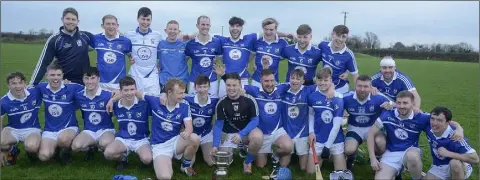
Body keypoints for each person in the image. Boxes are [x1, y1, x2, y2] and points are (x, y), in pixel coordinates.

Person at [366, 91, 464, 180]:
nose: (401, 106)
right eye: (399, 103)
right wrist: (373, 158)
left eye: (405, 103)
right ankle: (397, 173)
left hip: (410, 151)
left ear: (413, 104)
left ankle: (417, 178)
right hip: (391, 153)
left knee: (412, 156)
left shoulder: (421, 117)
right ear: (395, 103)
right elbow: (371, 134)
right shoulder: (387, 114)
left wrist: (459, 128)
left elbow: (442, 120)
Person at [143, 78, 200, 179]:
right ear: (169, 92)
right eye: (179, 93)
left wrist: (187, 132)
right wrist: (113, 99)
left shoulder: (184, 105)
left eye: (183, 93)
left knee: (194, 138)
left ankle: (185, 166)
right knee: (165, 177)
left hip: (175, 142)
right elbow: (138, 93)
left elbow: (189, 127)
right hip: (159, 146)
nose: (183, 96)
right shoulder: (155, 100)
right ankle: (163, 163)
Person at [212, 73, 264, 174]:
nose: (231, 88)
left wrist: (241, 134)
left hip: (245, 134)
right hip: (228, 135)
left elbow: (255, 121)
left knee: (258, 137)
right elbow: (218, 125)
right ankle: (238, 148)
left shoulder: (249, 100)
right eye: (228, 85)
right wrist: (215, 145)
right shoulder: (221, 103)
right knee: (222, 161)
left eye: (234, 85)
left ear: (240, 85)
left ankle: (247, 162)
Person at [242, 69, 293, 172]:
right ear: (261, 81)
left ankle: (275, 155)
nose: (269, 84)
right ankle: (247, 148)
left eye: (271, 80)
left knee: (288, 147)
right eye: (266, 81)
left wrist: (331, 87)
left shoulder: (281, 89)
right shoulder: (255, 91)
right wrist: (240, 90)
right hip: (262, 133)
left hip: (277, 131)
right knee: (261, 165)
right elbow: (235, 86)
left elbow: (298, 82)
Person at [29, 7, 95, 86]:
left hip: (84, 83)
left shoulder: (86, 36)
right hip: (63, 83)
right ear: (62, 19)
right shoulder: (55, 39)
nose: (70, 22)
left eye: (73, 19)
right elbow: (43, 63)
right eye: (68, 19)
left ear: (78, 21)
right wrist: (32, 85)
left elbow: (103, 44)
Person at [342, 75, 394, 170]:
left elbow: (396, 104)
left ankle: (377, 159)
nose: (362, 89)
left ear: (371, 87)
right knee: (349, 149)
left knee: (381, 142)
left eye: (366, 86)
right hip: (355, 128)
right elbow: (334, 100)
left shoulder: (378, 97)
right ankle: (351, 159)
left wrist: (390, 104)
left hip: (373, 127)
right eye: (359, 86)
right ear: (355, 86)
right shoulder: (347, 97)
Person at [36, 63, 84, 165]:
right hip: (50, 130)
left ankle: (66, 152)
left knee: (63, 139)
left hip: (69, 127)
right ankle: (56, 149)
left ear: (62, 76)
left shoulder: (72, 87)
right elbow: (24, 92)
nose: (55, 78)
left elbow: (94, 89)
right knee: (44, 156)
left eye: (58, 75)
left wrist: (115, 94)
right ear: (46, 76)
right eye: (52, 75)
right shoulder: (41, 87)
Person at [104, 76, 152, 170]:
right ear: (120, 91)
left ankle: (141, 155)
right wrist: (112, 100)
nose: (129, 93)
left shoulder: (144, 104)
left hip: (141, 139)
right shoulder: (115, 105)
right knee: (108, 154)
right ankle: (123, 158)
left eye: (132, 89)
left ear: (136, 90)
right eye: (126, 90)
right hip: (123, 139)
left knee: (147, 159)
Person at [306, 67, 346, 173]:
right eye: (320, 80)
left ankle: (341, 156)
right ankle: (326, 157)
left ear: (331, 81)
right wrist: (311, 132)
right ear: (316, 80)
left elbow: (337, 125)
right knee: (310, 172)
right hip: (318, 138)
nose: (322, 83)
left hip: (335, 140)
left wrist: (327, 147)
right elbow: (311, 115)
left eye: (326, 80)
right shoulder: (312, 96)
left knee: (340, 172)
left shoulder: (338, 98)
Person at [71, 67, 115, 160]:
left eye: (92, 78)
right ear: (83, 79)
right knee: (76, 146)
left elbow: (122, 92)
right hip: (89, 130)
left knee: (104, 144)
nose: (89, 82)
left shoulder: (107, 94)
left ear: (98, 79)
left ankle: (102, 147)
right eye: (86, 78)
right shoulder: (79, 95)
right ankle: (92, 147)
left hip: (106, 130)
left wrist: (112, 99)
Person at [425, 106, 479, 180]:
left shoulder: (455, 136)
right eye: (432, 119)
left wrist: (449, 154)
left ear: (447, 123)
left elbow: (475, 159)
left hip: (461, 165)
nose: (434, 123)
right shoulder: (428, 125)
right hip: (440, 165)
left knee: (455, 164)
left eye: (439, 120)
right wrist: (458, 126)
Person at [0, 72, 42, 165]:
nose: (18, 86)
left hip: (32, 128)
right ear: (8, 85)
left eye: (20, 82)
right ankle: (13, 150)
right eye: (13, 83)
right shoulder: (3, 101)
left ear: (25, 83)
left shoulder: (34, 92)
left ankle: (31, 153)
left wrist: (65, 84)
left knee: (31, 147)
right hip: (13, 129)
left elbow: (50, 88)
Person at [281, 69, 317, 171]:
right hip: (287, 133)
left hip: (303, 133)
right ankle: (279, 154)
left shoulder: (308, 90)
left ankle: (298, 155)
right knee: (283, 166)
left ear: (303, 81)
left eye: (298, 79)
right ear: (289, 79)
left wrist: (331, 87)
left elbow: (324, 84)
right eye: (292, 78)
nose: (295, 81)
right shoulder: (283, 90)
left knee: (303, 168)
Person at [215, 16, 258, 98]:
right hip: (225, 80)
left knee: (243, 107)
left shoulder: (248, 39)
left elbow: (266, 32)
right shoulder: (222, 40)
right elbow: (205, 35)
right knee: (221, 104)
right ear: (229, 27)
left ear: (241, 28)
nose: (235, 28)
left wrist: (286, 35)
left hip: (243, 80)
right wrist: (189, 36)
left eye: (237, 26)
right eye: (232, 26)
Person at [125, 7, 163, 96]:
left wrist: (160, 63)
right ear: (137, 18)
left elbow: (165, 49)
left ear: (151, 20)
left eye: (148, 20)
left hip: (152, 75)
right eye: (143, 19)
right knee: (136, 101)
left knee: (153, 100)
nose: (145, 22)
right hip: (136, 74)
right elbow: (123, 49)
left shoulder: (157, 35)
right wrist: (129, 56)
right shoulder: (129, 35)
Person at [184, 75, 219, 166]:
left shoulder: (215, 100)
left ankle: (201, 148)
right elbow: (173, 96)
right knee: (190, 163)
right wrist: (164, 94)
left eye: (205, 86)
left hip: (206, 133)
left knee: (211, 162)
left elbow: (228, 100)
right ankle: (194, 148)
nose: (202, 90)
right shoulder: (187, 99)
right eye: (199, 87)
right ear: (195, 87)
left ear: (209, 87)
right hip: (191, 135)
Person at [92, 14, 132, 91]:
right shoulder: (95, 38)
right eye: (108, 24)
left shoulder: (125, 41)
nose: (111, 26)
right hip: (100, 83)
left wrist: (132, 59)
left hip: (119, 84)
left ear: (117, 26)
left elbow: (133, 55)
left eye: (113, 24)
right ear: (102, 26)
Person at [185, 15, 222, 96]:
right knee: (193, 105)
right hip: (194, 80)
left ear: (210, 26)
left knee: (211, 105)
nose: (205, 27)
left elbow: (221, 58)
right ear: (197, 26)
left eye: (207, 25)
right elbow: (184, 61)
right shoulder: (190, 44)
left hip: (212, 80)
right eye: (203, 24)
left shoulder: (217, 42)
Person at [318, 25, 359, 94]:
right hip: (324, 84)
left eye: (343, 37)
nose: (340, 39)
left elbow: (355, 75)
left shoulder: (348, 55)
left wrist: (357, 94)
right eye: (338, 35)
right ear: (332, 34)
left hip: (340, 88)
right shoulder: (323, 45)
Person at [251, 18, 289, 88]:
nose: (268, 32)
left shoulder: (283, 43)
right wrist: (253, 62)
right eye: (266, 29)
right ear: (263, 29)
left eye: (271, 30)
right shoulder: (257, 41)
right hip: (257, 81)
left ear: (276, 30)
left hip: (273, 81)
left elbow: (288, 56)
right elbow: (251, 55)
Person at [158, 20, 192, 93]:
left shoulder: (184, 44)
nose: (172, 31)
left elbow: (198, 35)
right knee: (165, 104)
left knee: (182, 104)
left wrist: (188, 36)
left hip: (181, 83)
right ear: (165, 30)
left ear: (179, 31)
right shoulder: (160, 45)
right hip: (165, 83)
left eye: (175, 29)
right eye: (170, 29)